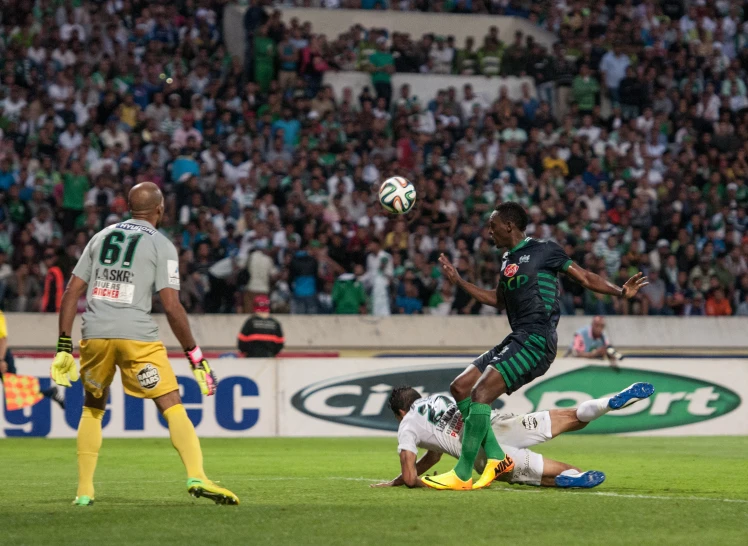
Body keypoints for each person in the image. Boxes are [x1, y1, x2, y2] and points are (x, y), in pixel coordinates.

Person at [423, 203, 648, 491]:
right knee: (460, 387)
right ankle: (495, 456)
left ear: (509, 226)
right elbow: (497, 300)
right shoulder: (507, 261)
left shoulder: (545, 250)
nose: (489, 232)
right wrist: (460, 282)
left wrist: (620, 291)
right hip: (518, 336)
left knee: (480, 394)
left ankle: (463, 473)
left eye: (493, 226)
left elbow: (585, 277)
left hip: (537, 338)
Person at [49, 182, 239, 506]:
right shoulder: (162, 245)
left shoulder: (100, 237)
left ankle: (84, 491)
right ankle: (196, 474)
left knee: (92, 408)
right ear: (160, 209)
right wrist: (195, 355)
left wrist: (64, 346)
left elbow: (70, 293)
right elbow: (172, 306)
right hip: (137, 337)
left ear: (129, 207)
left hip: (94, 335)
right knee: (171, 403)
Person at [373, 382, 654, 489]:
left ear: (400, 411)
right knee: (570, 418)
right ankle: (607, 402)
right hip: (499, 424)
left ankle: (568, 476)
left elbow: (411, 477)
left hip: (484, 454)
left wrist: (407, 482)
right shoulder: (440, 397)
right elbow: (433, 454)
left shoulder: (407, 424)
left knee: (558, 474)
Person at [0, 309, 65, 409]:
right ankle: (49, 393)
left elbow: (3, 338)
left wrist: (1, 360)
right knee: (15, 389)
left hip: (2, 355)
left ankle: (49, 392)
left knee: (15, 389)